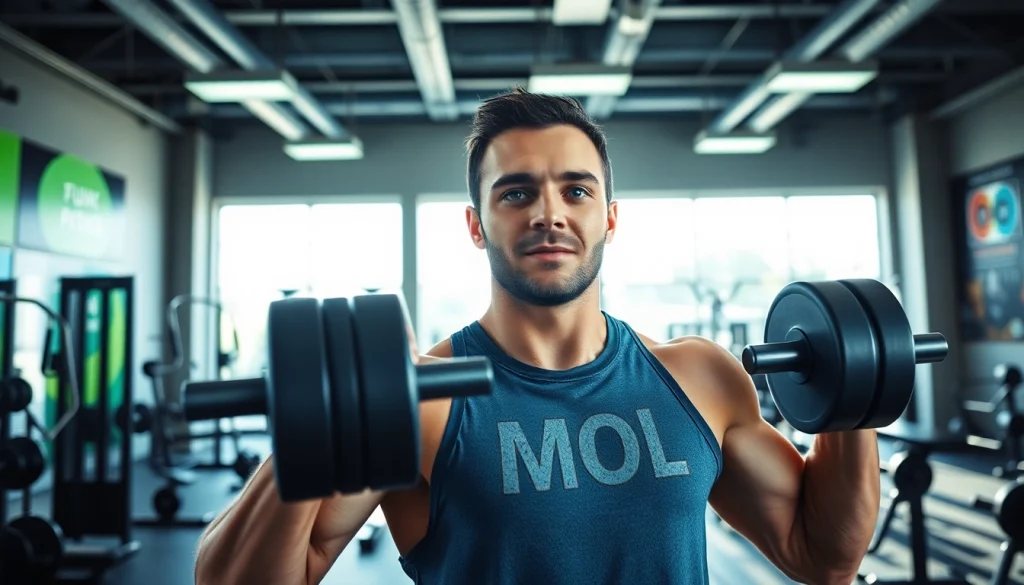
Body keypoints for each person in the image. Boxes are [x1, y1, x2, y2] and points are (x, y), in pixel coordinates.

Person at [194, 88, 881, 585]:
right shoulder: (420, 400)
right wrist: (307, 437)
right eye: (516, 192)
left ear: (611, 218)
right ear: (475, 224)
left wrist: (854, 397)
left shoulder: (700, 377)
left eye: (576, 191)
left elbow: (821, 555)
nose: (549, 212)